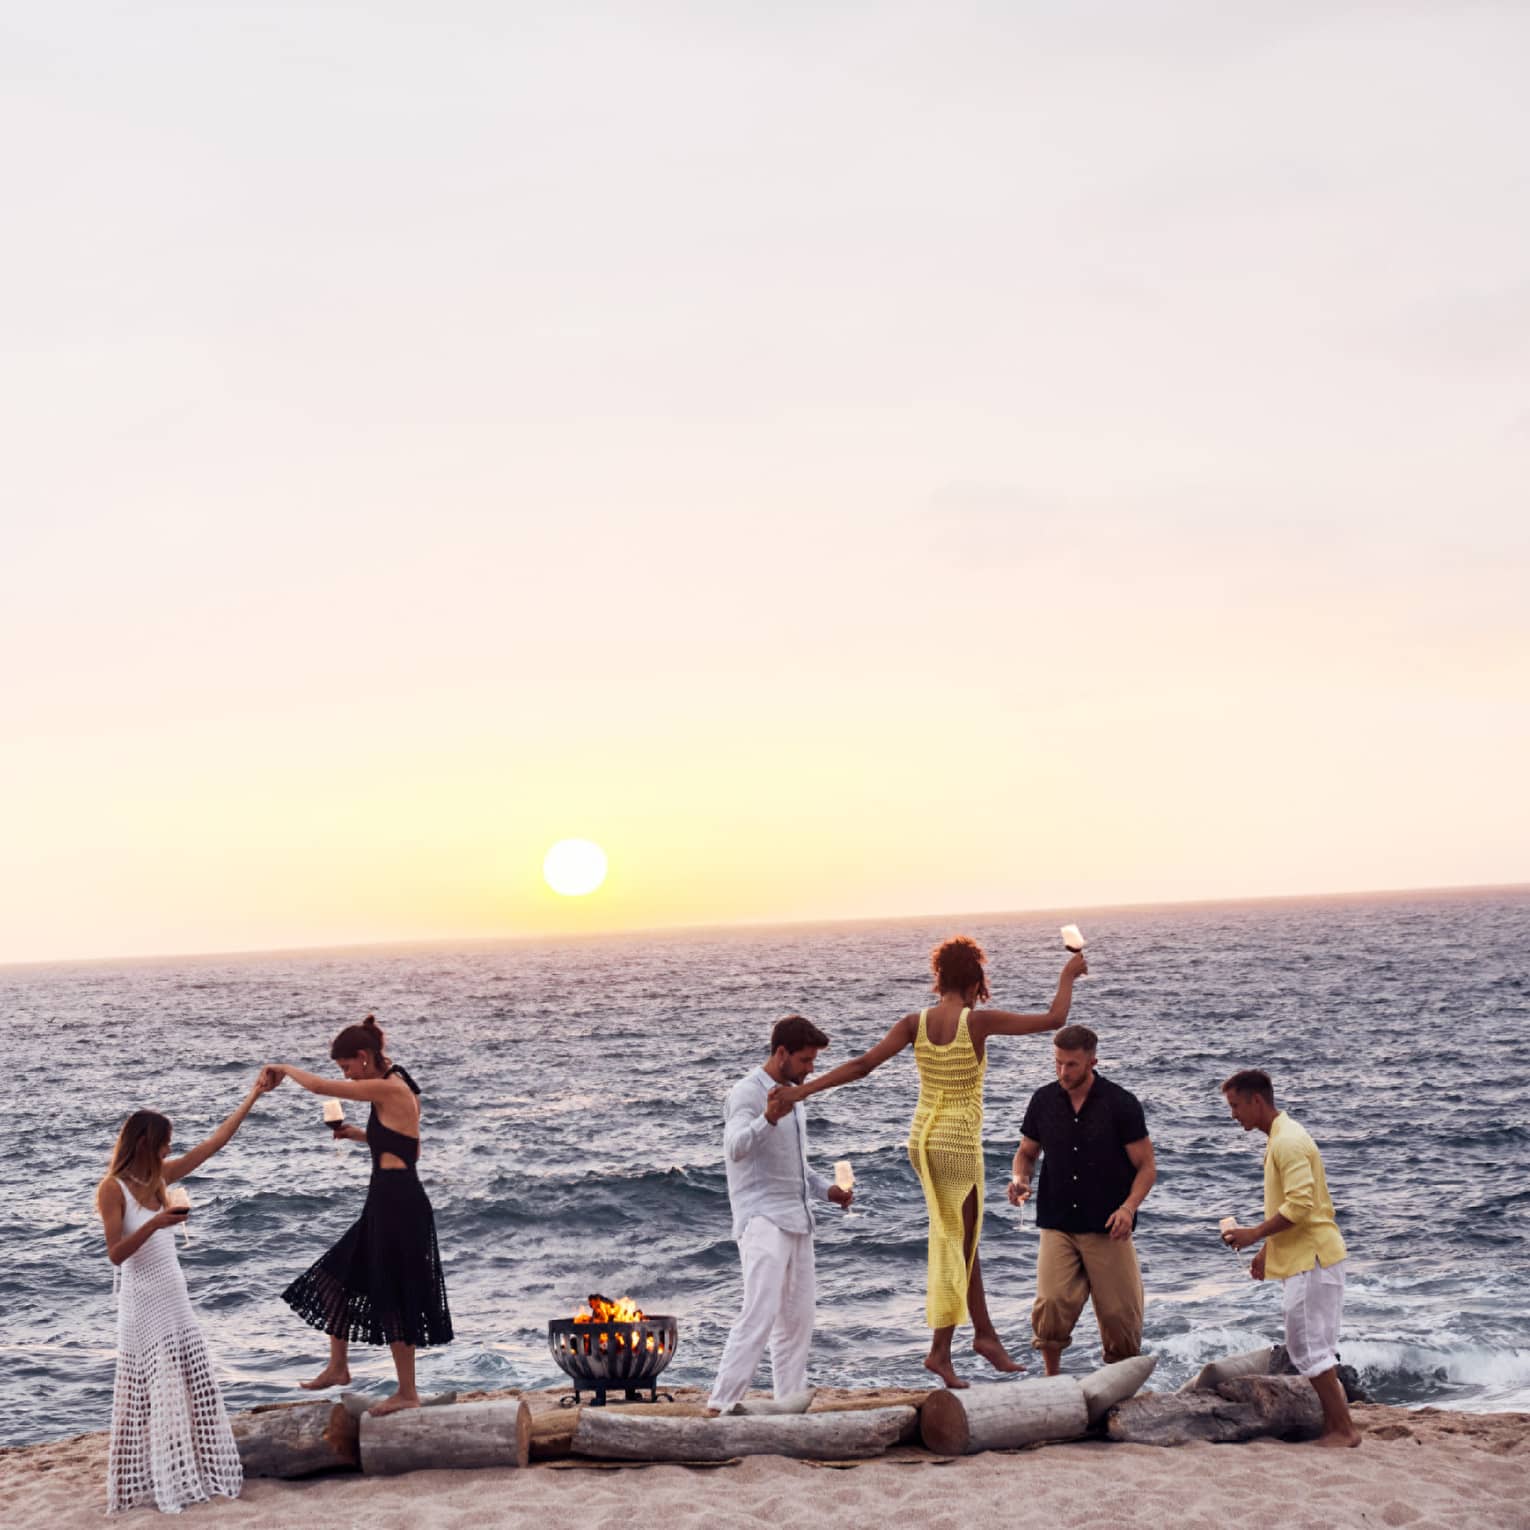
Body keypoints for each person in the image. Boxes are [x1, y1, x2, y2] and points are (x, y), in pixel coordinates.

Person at [772, 937, 1084, 1388]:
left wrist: (802, 1090)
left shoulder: (914, 1023)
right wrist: (1067, 975)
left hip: (921, 1141)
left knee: (961, 1240)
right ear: (975, 980)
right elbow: (1055, 1019)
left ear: (940, 977)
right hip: (956, 1143)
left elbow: (862, 1065)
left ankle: (984, 1334)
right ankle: (941, 1351)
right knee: (957, 1243)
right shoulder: (975, 1023)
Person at [96, 1072, 278, 1514]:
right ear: (143, 1142)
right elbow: (116, 1255)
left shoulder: (161, 1177)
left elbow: (214, 1144)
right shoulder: (112, 1189)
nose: (169, 1149)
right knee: (145, 1391)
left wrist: (252, 1095)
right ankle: (136, 1481)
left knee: (191, 1383)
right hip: (141, 1302)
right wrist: (157, 1223)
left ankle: (191, 1466)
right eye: (164, 1142)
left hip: (174, 1294)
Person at [271, 1016, 453, 1416]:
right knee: (331, 1278)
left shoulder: (388, 1087)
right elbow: (411, 1149)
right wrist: (361, 1135)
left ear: (364, 1057)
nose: (347, 1077)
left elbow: (319, 1088)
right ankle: (339, 1366)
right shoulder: (392, 1089)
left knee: (395, 1294)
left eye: (347, 1068)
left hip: (399, 1204)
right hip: (386, 1199)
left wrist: (284, 1069)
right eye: (343, 1072)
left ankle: (407, 1392)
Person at [706, 1015, 854, 1414]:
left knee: (797, 1321)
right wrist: (767, 1118)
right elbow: (735, 1147)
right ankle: (721, 1405)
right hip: (762, 1220)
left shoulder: (793, 1095)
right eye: (806, 1061)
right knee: (759, 1314)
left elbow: (796, 1168)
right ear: (781, 1053)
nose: (811, 1070)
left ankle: (787, 1405)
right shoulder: (747, 1094)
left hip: (799, 1219)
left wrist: (829, 1191)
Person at [1220, 1068, 1360, 1448]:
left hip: (1312, 1259)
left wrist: (1254, 1234)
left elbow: (1300, 1205)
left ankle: (1344, 1429)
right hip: (1308, 1256)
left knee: (1309, 1348)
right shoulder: (1282, 1136)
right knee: (1310, 1347)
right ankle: (1337, 1426)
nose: (1233, 1115)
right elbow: (1295, 1205)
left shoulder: (1288, 1142)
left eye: (1236, 1106)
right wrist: (1267, 1250)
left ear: (1257, 1101)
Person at [1007, 1024, 1155, 1374]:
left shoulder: (1121, 1104)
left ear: (1092, 1061)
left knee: (1121, 1315)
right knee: (1052, 1303)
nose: (1062, 1072)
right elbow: (1026, 1152)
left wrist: (1128, 1208)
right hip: (1057, 1220)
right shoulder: (1043, 1100)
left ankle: (1119, 1388)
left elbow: (1147, 1167)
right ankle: (1051, 1380)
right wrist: (1020, 1180)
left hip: (1108, 1225)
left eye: (1071, 1065)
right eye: (1057, 1063)